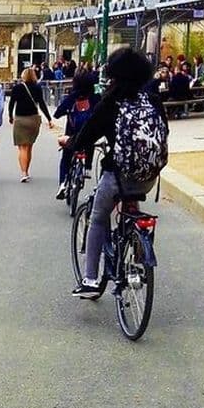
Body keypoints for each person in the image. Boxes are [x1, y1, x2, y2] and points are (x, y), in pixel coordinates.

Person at [60, 48, 169, 298]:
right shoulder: (152, 99)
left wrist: (70, 141)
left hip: (118, 175)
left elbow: (88, 134)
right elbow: (163, 133)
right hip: (148, 177)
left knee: (98, 217)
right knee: (131, 207)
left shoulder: (112, 101)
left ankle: (89, 280)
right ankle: (140, 255)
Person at [54, 71, 101, 199]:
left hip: (72, 134)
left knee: (66, 157)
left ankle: (63, 183)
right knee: (89, 139)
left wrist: (66, 111)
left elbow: (57, 113)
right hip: (90, 135)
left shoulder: (73, 97)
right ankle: (87, 167)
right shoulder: (95, 97)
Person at [8, 68, 53, 182]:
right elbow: (42, 104)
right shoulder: (37, 88)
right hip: (33, 119)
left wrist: (10, 116)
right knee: (29, 147)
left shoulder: (17, 88)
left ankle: (24, 172)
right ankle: (27, 170)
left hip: (20, 119)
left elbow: (11, 103)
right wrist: (49, 119)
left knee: (22, 147)